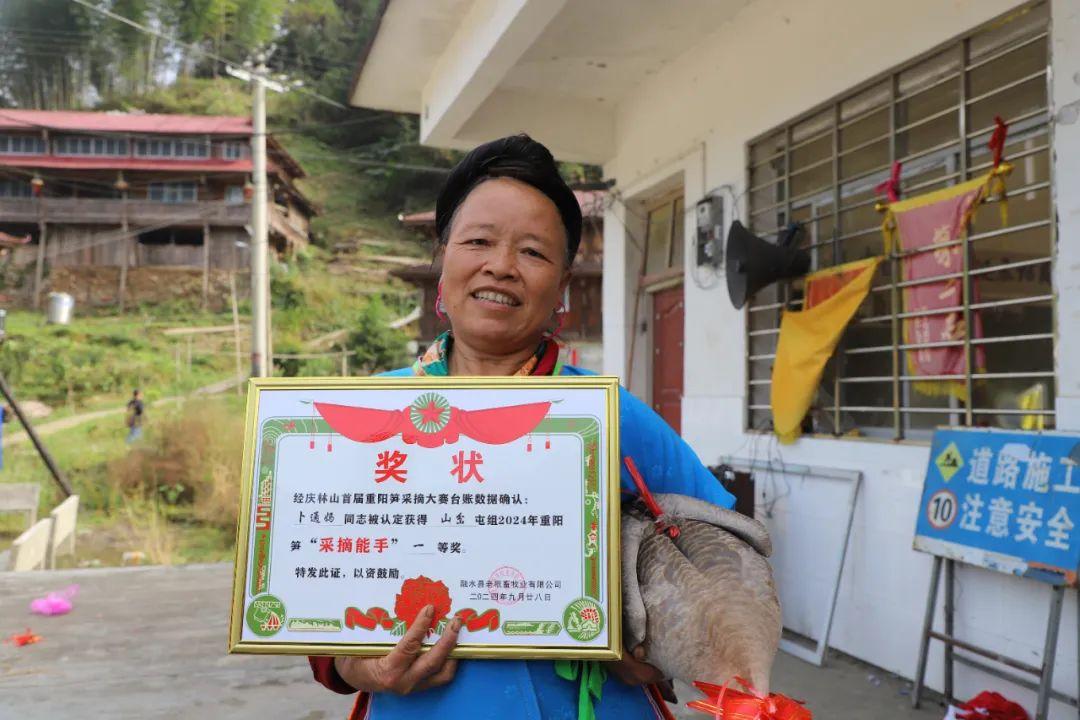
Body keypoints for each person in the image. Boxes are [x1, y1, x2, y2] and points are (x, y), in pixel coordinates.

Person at [309, 134, 735, 720]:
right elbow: (312, 581)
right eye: (478, 241)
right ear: (443, 259)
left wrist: (659, 642)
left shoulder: (610, 414)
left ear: (562, 285)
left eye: (533, 252)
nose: (502, 266)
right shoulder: (361, 416)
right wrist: (358, 667)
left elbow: (725, 553)